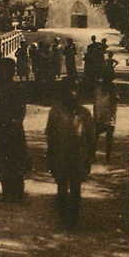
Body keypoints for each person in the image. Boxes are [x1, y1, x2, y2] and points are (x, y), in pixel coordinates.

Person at [46, 78, 96, 229]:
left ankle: (73, 219)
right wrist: (50, 155)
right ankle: (63, 217)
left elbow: (91, 138)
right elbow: (51, 134)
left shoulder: (84, 114)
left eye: (75, 90)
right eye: (69, 91)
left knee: (75, 187)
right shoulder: (56, 111)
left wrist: (89, 158)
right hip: (60, 154)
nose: (72, 94)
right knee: (61, 185)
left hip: (78, 155)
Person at [0, 57, 29, 201]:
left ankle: (12, 192)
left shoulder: (6, 89)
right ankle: (12, 192)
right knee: (8, 161)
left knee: (10, 160)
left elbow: (21, 109)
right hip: (6, 130)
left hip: (8, 130)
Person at [93, 75, 119, 163]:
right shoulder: (112, 88)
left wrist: (95, 114)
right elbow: (116, 100)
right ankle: (107, 157)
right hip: (108, 116)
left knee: (96, 136)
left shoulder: (98, 88)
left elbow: (95, 102)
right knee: (108, 137)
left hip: (101, 115)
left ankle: (93, 155)